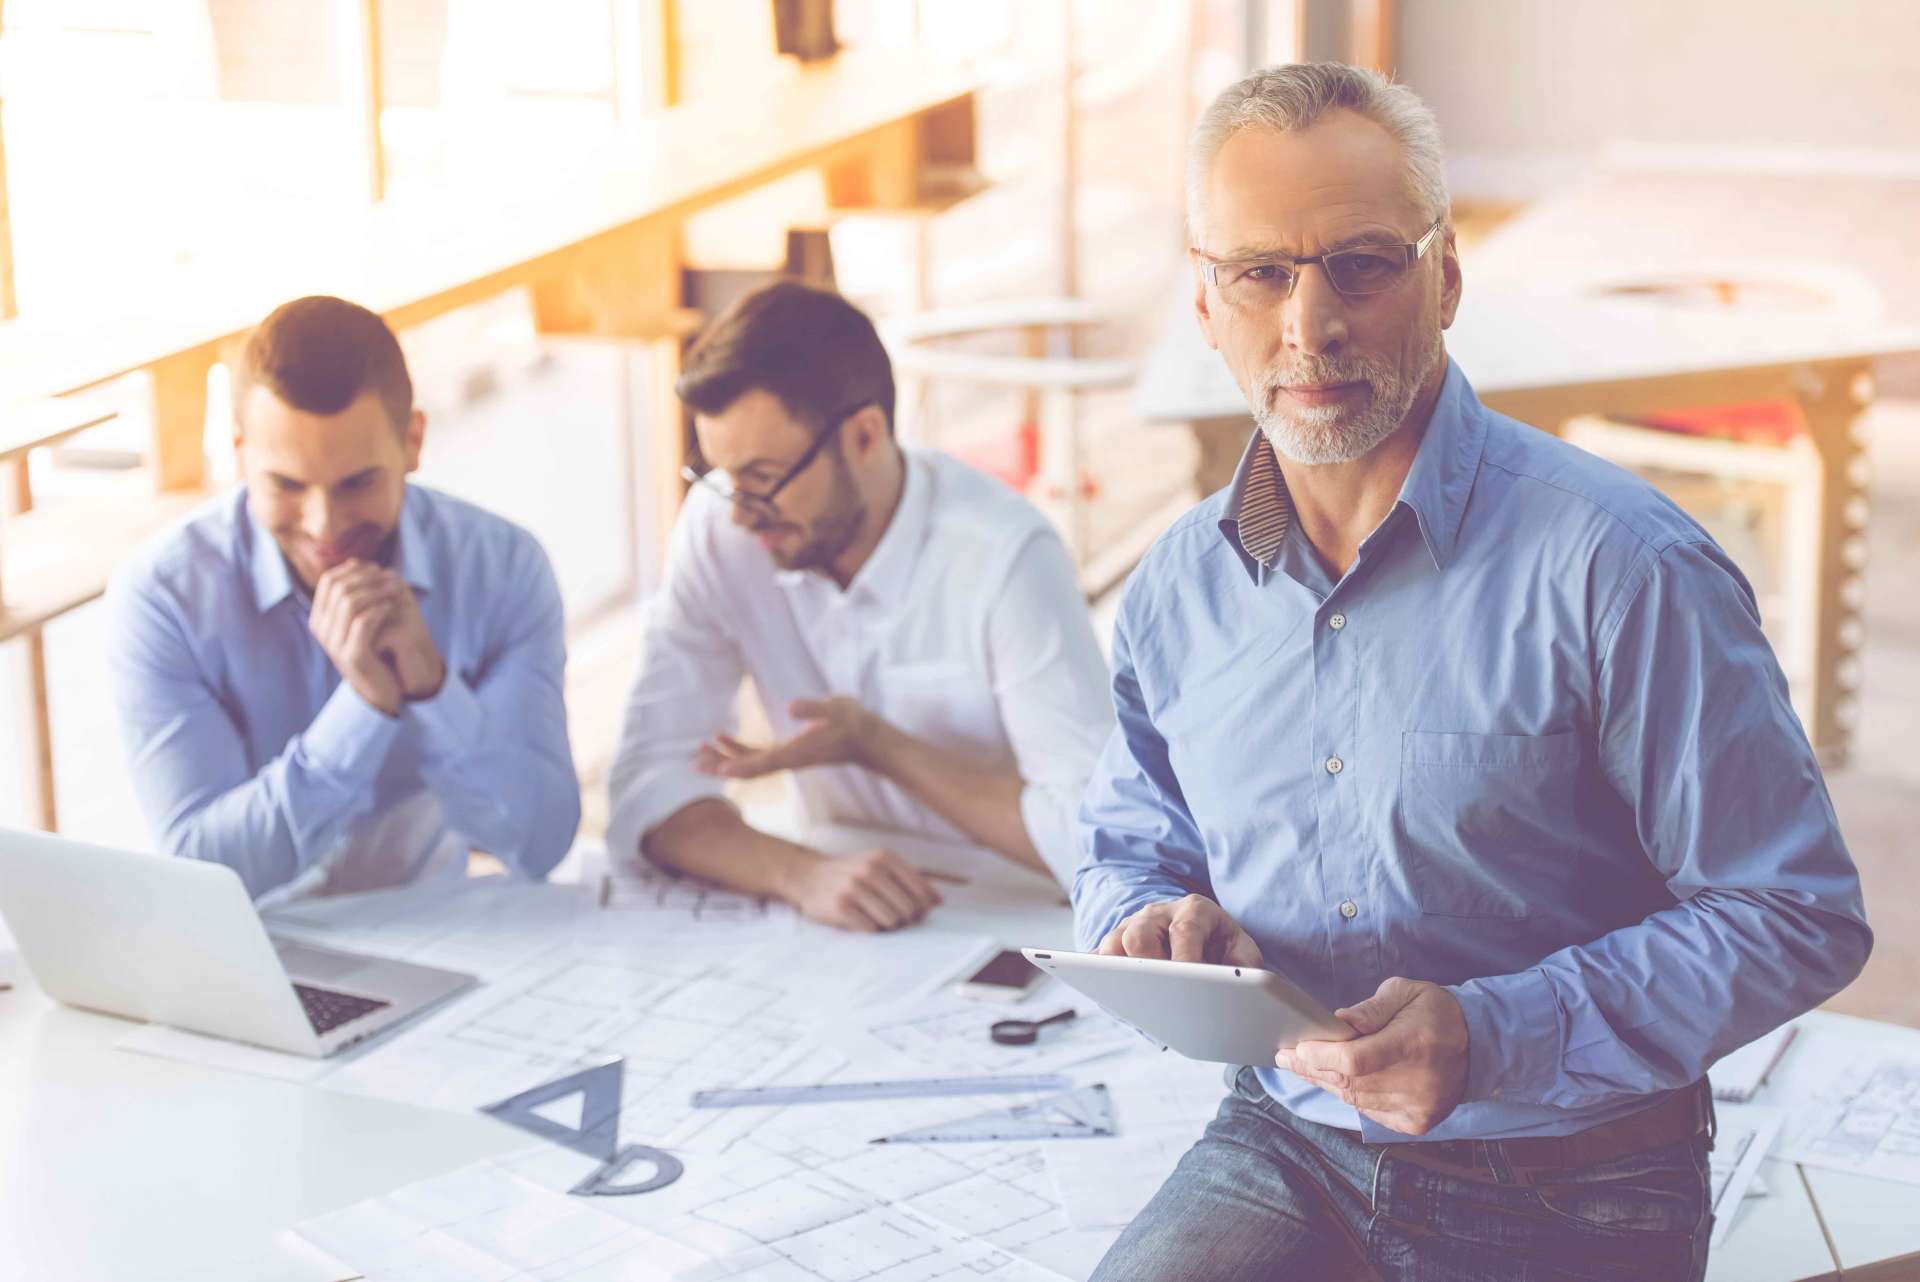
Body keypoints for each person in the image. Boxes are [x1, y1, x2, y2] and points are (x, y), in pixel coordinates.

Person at [1076, 63, 1870, 1281]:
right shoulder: (1180, 588)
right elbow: (1128, 842)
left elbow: (1794, 913)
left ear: (1444, 278)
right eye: (1261, 273)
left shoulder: (1625, 564)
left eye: (1360, 263)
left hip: (1576, 1177)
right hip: (1287, 1136)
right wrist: (1146, 921)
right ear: (1205, 300)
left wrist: (1499, 1033)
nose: (1309, 325)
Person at [606, 281, 1112, 932]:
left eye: (762, 479)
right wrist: (798, 873)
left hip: (1019, 909)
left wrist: (878, 746)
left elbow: (1097, 840)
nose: (739, 512)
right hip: (835, 900)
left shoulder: (1004, 556)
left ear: (865, 436)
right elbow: (646, 785)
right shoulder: (724, 528)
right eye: (723, 478)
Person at [108, 296, 580, 904]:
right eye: (286, 484)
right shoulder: (164, 597)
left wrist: (434, 689)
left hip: (440, 933)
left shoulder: (504, 568)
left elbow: (539, 843)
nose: (324, 526)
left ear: (412, 441)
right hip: (251, 947)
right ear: (240, 454)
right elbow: (200, 870)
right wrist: (362, 710)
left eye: (358, 482)